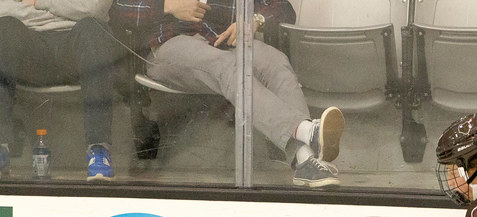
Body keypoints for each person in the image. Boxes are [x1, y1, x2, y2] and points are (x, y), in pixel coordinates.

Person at [111, 0, 345, 188]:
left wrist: (254, 21)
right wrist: (166, 6)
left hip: (223, 42)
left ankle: (305, 159)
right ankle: (306, 131)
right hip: (170, 47)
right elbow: (119, 9)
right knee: (230, 66)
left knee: (275, 61)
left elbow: (282, 8)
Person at [0, 0, 123, 180]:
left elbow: (93, 8)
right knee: (4, 29)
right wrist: (67, 7)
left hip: (79, 45)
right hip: (28, 47)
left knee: (94, 29)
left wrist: (36, 2)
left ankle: (98, 150)